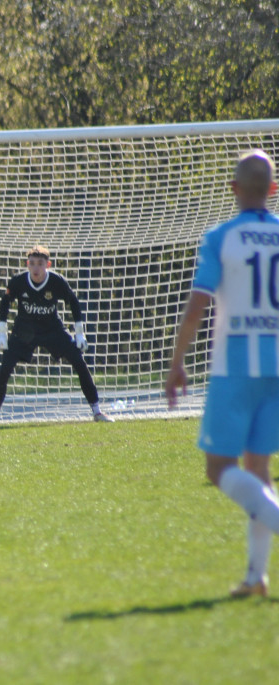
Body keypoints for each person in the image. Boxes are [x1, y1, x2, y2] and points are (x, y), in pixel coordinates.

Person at [166, 149, 279, 597]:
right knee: (259, 470)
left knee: (218, 469)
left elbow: (198, 304)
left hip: (235, 368)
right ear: (273, 189)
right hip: (276, 367)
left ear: (234, 188)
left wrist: (177, 360)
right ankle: (255, 577)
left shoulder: (221, 237)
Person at [0, 245, 112, 428]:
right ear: (27, 264)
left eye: (40, 263)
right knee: (5, 368)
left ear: (48, 265)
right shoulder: (18, 281)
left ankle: (97, 411)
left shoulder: (56, 281)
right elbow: (5, 303)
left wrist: (79, 333)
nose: (36, 268)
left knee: (79, 361)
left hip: (52, 329)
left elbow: (73, 302)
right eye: (32, 263)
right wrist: (2, 333)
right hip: (24, 331)